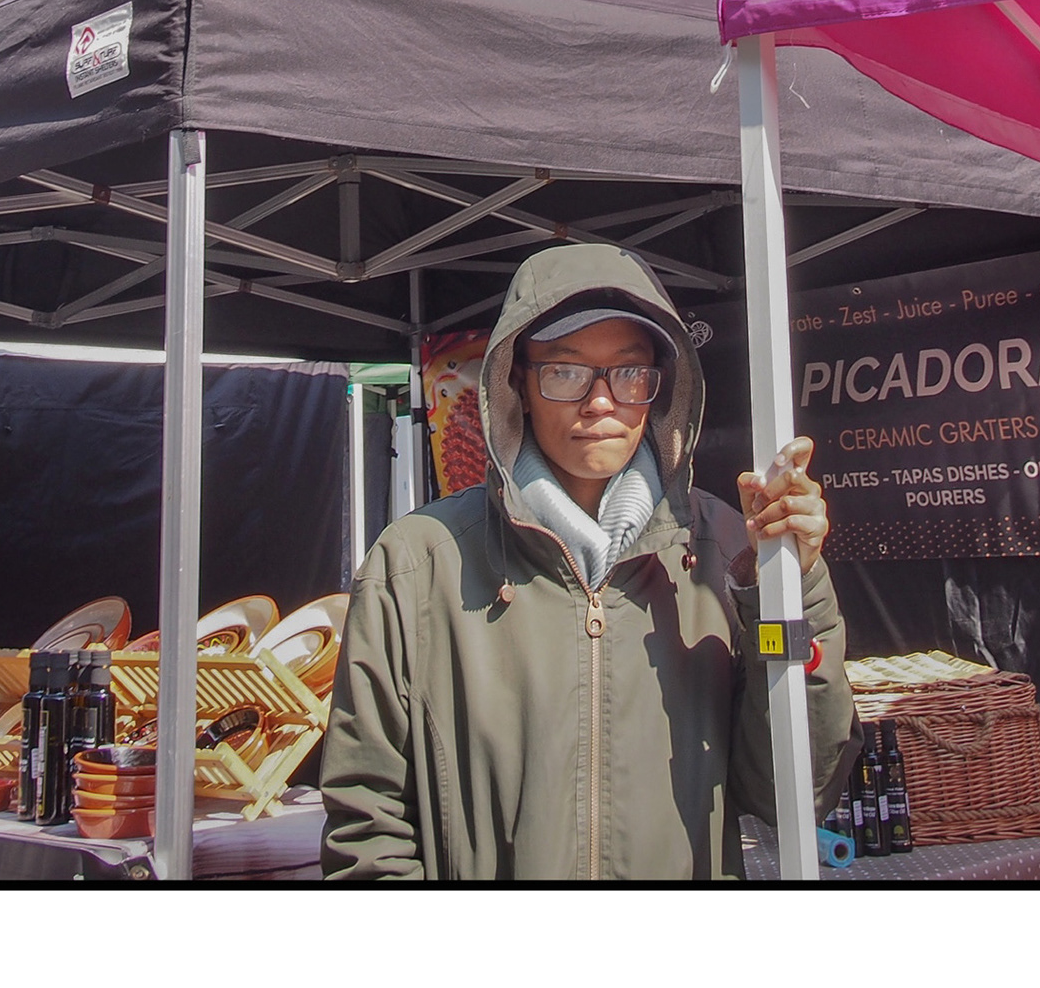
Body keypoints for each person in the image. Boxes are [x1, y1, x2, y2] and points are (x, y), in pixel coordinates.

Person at [319, 241, 857, 880]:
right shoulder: (415, 566)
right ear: (516, 381)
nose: (601, 402)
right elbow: (366, 823)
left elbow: (792, 788)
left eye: (629, 373)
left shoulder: (731, 550)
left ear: (661, 389)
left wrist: (793, 592)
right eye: (566, 371)